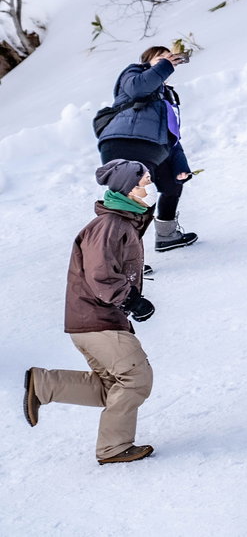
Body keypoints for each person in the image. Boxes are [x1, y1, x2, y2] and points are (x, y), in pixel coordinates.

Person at [23, 159, 158, 464]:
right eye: (143, 181)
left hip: (94, 321)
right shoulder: (109, 225)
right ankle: (114, 448)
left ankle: (45, 385)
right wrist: (131, 300)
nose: (149, 186)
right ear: (127, 187)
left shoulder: (120, 222)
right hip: (97, 320)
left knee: (111, 388)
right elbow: (100, 275)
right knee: (136, 379)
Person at [97, 45, 197, 253]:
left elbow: (172, 134)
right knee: (139, 196)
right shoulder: (133, 73)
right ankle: (121, 256)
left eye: (168, 58)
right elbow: (138, 88)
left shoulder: (167, 95)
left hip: (153, 147)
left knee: (171, 185)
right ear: (147, 61)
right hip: (126, 140)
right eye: (160, 58)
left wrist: (180, 165)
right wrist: (165, 65)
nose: (166, 61)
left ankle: (166, 235)